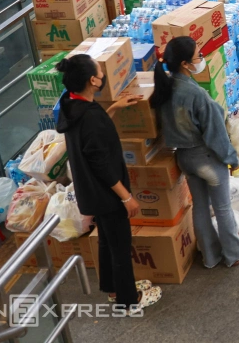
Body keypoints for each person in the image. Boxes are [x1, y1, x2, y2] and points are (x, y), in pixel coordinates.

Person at [54, 53, 161, 310]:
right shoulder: (90, 116)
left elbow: (92, 137)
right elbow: (101, 163)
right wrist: (126, 197)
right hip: (106, 194)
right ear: (93, 81)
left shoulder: (72, 104)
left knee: (107, 241)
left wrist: (112, 109)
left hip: (90, 191)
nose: (103, 74)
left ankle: (112, 288)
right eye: (101, 72)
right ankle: (128, 299)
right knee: (120, 246)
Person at [150, 36, 239, 271]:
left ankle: (210, 257)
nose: (201, 59)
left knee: (200, 208)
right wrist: (232, 160)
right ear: (185, 64)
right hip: (207, 159)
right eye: (198, 56)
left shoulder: (164, 89)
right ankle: (233, 254)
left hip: (184, 159)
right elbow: (216, 135)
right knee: (222, 208)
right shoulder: (196, 95)